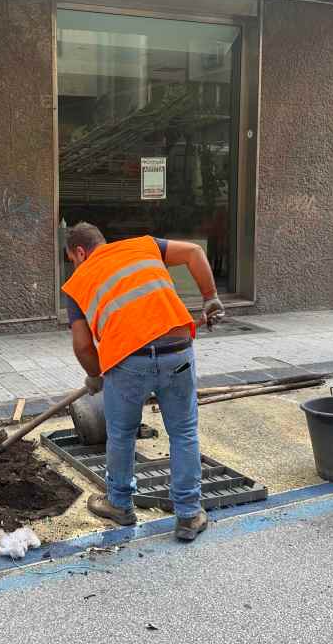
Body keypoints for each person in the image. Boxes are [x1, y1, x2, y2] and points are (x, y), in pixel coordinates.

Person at [62, 222, 225, 542]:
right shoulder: (143, 245)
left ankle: (120, 505)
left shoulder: (77, 282)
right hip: (176, 350)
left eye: (71, 259)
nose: (74, 265)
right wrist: (210, 297)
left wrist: (96, 374)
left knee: (121, 433)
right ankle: (189, 515)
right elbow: (195, 252)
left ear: (79, 252)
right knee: (183, 432)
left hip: (127, 362)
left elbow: (82, 346)